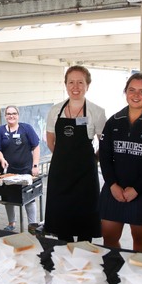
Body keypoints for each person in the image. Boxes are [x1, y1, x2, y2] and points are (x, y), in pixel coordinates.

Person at [99, 72, 142, 253]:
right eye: (132, 90)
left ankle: (139, 276)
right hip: (114, 188)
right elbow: (105, 157)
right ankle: (115, 272)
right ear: (125, 92)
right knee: (109, 237)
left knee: (139, 238)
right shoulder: (114, 121)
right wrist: (112, 185)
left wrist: (137, 188)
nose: (136, 95)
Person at [44, 65, 107, 242]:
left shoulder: (97, 112)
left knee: (85, 227)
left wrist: (93, 159)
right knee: (62, 226)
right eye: (71, 82)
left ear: (88, 85)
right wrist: (64, 158)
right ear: (65, 85)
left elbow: (105, 142)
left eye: (80, 82)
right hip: (60, 176)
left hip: (85, 176)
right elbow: (50, 140)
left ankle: (84, 261)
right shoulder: (55, 110)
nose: (75, 86)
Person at [0, 105, 40, 231]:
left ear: (18, 115)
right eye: (8, 114)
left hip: (26, 170)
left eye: (14, 113)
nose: (11, 116)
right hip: (9, 172)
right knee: (9, 199)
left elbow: (36, 146)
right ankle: (11, 223)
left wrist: (35, 165)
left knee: (29, 199)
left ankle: (32, 226)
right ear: (5, 116)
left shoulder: (26, 128)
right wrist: (2, 159)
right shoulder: (0, 131)